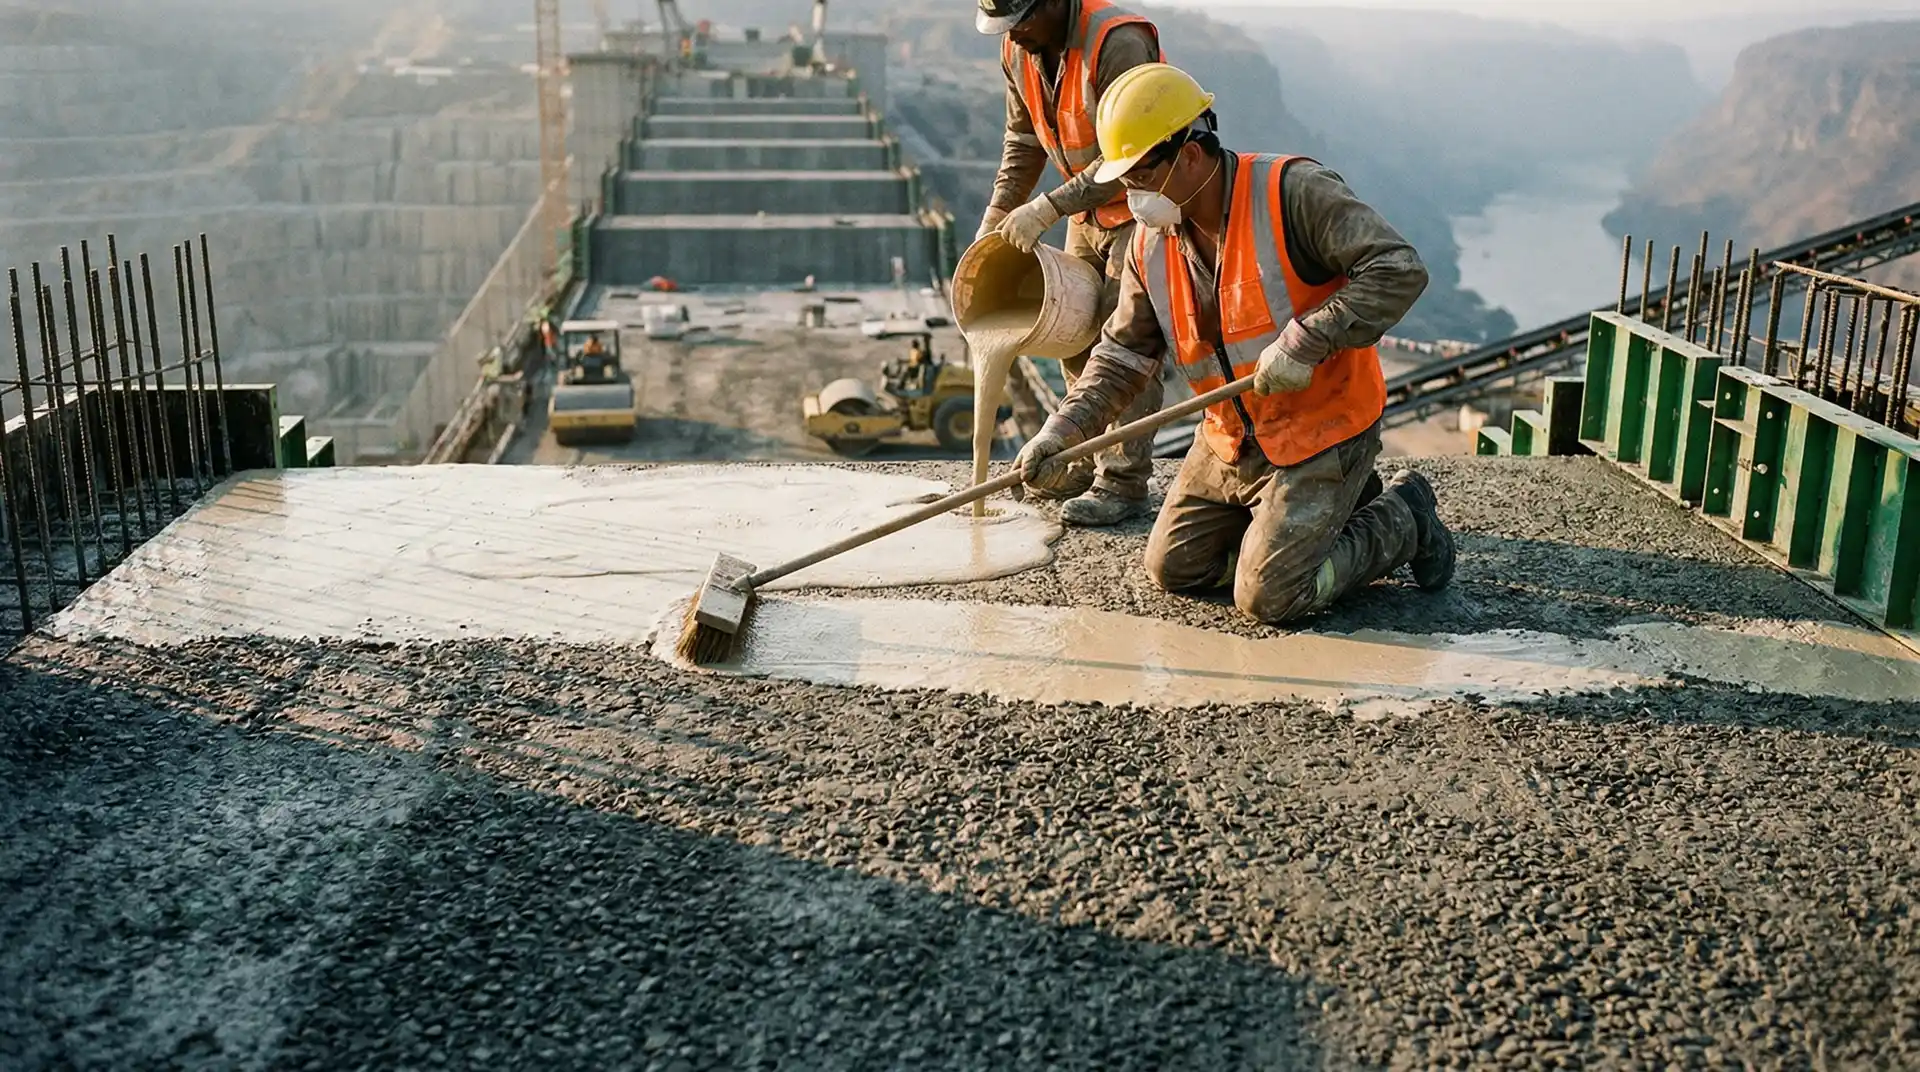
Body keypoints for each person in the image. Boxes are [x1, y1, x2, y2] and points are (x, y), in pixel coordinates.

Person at [1011, 62, 1456, 624]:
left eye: (1141, 176)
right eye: (1123, 181)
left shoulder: (1292, 192)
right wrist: (1064, 429)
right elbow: (1123, 354)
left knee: (1270, 597)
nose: (1131, 194)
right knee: (1175, 568)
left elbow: (1398, 268)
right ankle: (1307, 520)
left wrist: (1308, 338)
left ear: (1190, 155)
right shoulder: (1149, 243)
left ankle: (1403, 519)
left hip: (1321, 426)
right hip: (1232, 439)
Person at [975, 0, 1166, 527]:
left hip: (1140, 203)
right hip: (1086, 214)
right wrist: (998, 215)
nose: (1013, 37)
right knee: (1074, 333)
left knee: (1123, 342)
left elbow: (1135, 150)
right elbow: (1023, 142)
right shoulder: (1020, 51)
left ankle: (1123, 483)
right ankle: (1083, 457)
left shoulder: (1116, 42)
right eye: (1005, 28)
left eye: (1021, 23)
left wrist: (1049, 206)